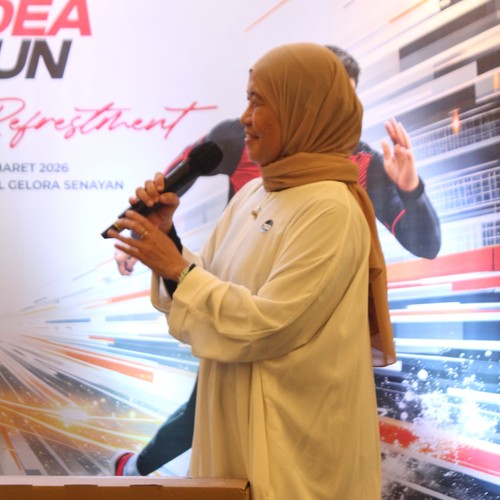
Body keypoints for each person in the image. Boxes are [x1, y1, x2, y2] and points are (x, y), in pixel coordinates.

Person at [112, 45, 441, 476]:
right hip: (233, 417)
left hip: (293, 451)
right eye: (247, 100)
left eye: (258, 102)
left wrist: (175, 267)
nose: (245, 117)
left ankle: (133, 469)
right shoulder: (257, 190)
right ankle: (135, 468)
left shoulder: (332, 207)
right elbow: (208, 285)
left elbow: (266, 327)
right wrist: (166, 238)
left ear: (302, 110)